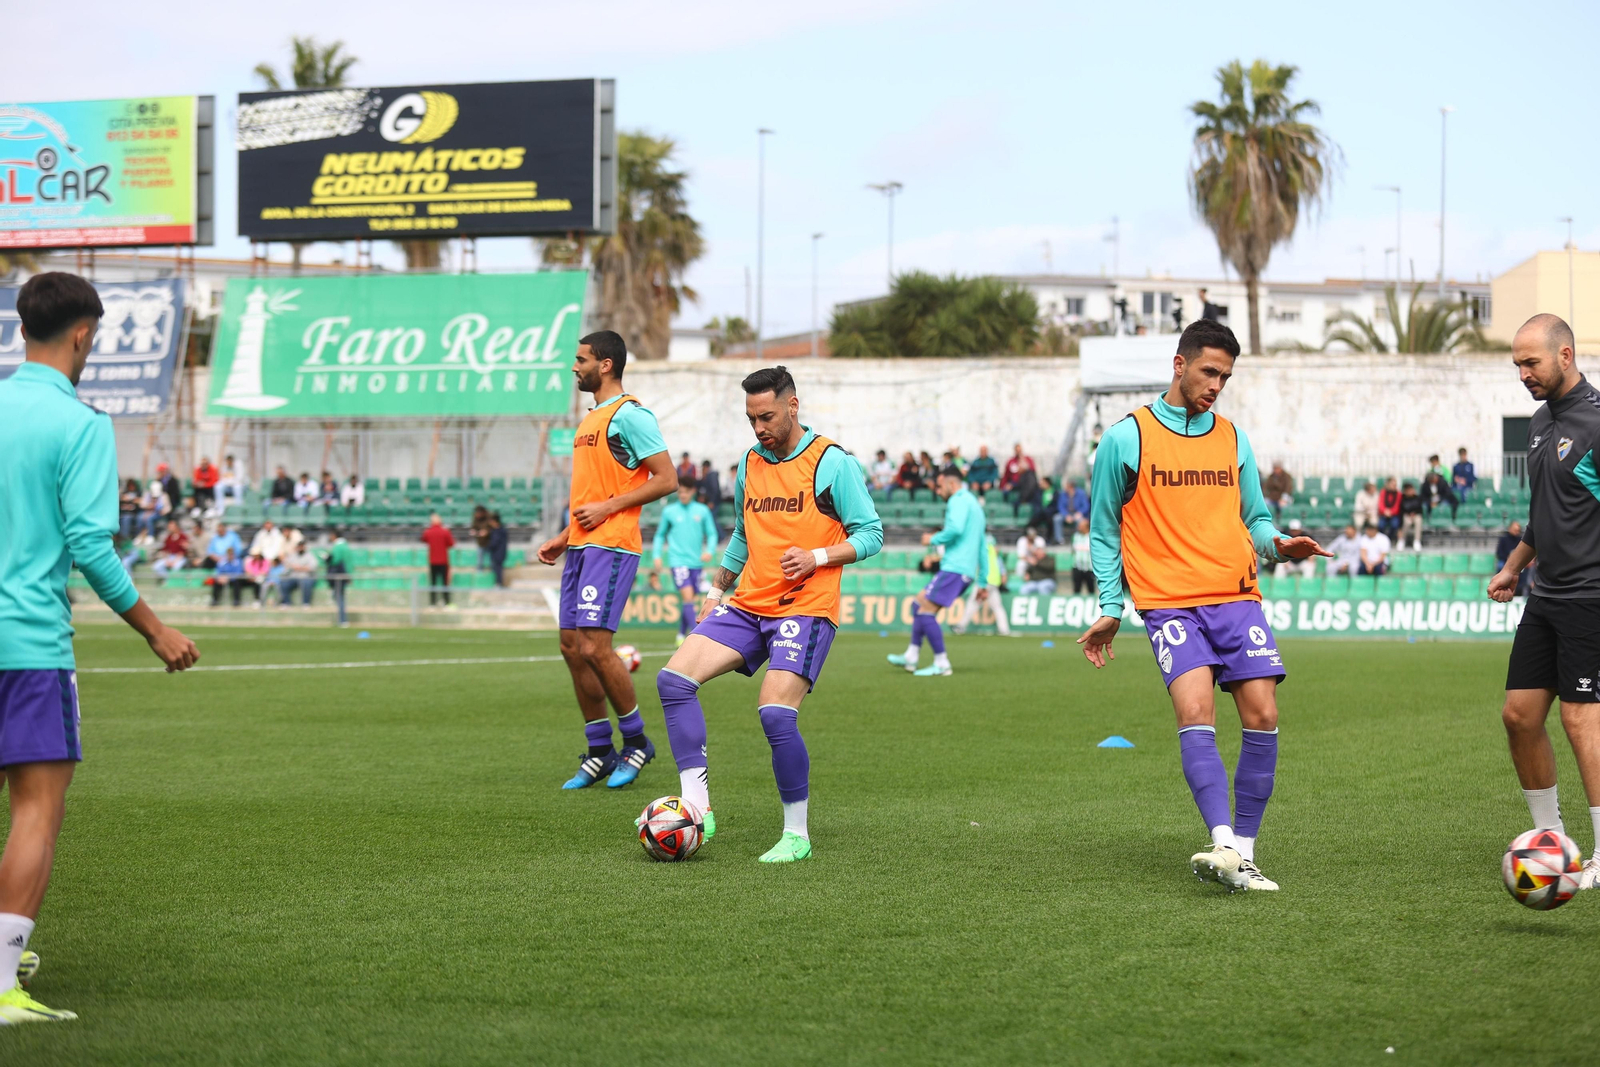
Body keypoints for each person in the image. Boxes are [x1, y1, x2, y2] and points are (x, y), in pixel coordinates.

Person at [0, 271, 199, 1023]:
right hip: (27, 643)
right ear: (83, 333)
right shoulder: (80, 424)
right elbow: (89, 543)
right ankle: (0, 984)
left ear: (24, 327)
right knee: (35, 811)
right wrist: (157, 629)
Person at [1076, 319, 1329, 893]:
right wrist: (1112, 606)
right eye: (1210, 371)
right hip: (1168, 605)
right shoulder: (1125, 437)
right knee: (1196, 713)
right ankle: (1221, 842)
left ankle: (1244, 851)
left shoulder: (1233, 437)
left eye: (1226, 376)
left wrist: (1280, 546)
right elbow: (1103, 530)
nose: (1217, 384)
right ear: (1179, 364)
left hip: (1237, 598)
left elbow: (1255, 518)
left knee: (1263, 715)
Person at [655, 365, 882, 863]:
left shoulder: (832, 462)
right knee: (673, 680)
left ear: (793, 406)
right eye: (751, 418)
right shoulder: (749, 463)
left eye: (767, 416)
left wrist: (816, 557)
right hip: (747, 603)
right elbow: (743, 532)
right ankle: (697, 806)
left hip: (806, 606)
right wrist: (717, 592)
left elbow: (871, 534)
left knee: (775, 711)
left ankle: (796, 834)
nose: (759, 427)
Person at [536, 330, 677, 790]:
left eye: (581, 360)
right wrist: (563, 537)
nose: (574, 367)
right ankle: (600, 749)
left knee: (596, 646)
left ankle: (636, 742)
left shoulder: (630, 415)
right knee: (572, 648)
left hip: (612, 545)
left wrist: (607, 510)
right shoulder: (590, 419)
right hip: (582, 545)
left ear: (606, 365)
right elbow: (593, 494)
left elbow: (666, 479)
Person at [1491, 313, 1600, 890]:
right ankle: (1549, 840)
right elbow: (1545, 515)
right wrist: (1513, 568)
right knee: (1519, 716)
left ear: (1565, 356)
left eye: (1530, 362)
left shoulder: (1596, 424)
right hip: (1546, 594)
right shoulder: (1539, 423)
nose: (1523, 373)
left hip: (1591, 596)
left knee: (1580, 717)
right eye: (1517, 364)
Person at [889, 466, 985, 677]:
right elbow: (982, 546)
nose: (937, 491)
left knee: (925, 611)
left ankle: (942, 662)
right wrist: (984, 580)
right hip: (964, 571)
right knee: (919, 602)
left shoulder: (957, 500)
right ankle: (912, 656)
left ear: (952, 484)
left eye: (940, 486)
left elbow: (955, 529)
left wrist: (932, 539)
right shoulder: (975, 505)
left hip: (954, 568)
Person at [653, 481, 719, 646]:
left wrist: (709, 551)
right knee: (688, 596)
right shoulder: (669, 511)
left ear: (693, 491)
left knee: (689, 599)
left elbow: (712, 533)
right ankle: (697, 636)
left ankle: (680, 634)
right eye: (680, 492)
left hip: (696, 563)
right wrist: (657, 555)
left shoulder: (702, 511)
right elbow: (660, 535)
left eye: (686, 492)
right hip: (678, 561)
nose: (682, 495)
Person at [321, 528, 354, 626]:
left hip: (339, 576)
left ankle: (342, 620)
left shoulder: (338, 547)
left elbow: (335, 561)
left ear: (334, 536)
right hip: (344, 575)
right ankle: (342, 619)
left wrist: (327, 559)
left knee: (339, 598)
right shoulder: (345, 546)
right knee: (339, 597)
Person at [421, 513, 455, 607]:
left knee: (433, 583)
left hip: (432, 561)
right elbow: (451, 543)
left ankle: (432, 603)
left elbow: (423, 539)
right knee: (445, 583)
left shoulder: (428, 531)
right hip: (443, 561)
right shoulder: (445, 531)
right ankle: (447, 602)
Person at [280, 541, 317, 606]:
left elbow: (312, 567)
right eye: (299, 546)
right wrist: (294, 567)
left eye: (302, 546)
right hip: (294, 577)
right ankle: (287, 603)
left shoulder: (310, 555)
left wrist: (300, 568)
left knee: (307, 583)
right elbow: (287, 565)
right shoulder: (293, 555)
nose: (300, 548)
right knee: (283, 583)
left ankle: (306, 603)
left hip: (305, 577)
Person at [1070, 517, 1095, 594]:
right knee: (1076, 589)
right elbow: (1073, 550)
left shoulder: (1092, 537)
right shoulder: (1075, 536)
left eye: (1081, 526)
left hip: (1089, 568)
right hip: (1077, 567)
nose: (1079, 528)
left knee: (1091, 589)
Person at [1399, 481, 1425, 550]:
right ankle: (1402, 540)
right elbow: (1402, 510)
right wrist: (1409, 514)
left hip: (1416, 515)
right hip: (1406, 515)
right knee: (1407, 522)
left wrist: (1414, 513)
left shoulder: (1418, 498)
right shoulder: (1402, 499)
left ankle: (1417, 541)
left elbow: (1420, 509)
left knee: (1418, 521)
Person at [486, 512, 509, 588]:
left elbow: (495, 543)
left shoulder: (499, 531)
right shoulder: (497, 530)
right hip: (497, 553)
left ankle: (499, 583)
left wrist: (488, 546)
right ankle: (498, 583)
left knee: (498, 569)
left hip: (498, 553)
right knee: (496, 569)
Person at [471, 505, 492, 571]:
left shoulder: (489, 517)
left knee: (491, 558)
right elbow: (473, 527)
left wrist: (487, 532)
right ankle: (480, 572)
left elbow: (494, 528)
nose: (478, 515)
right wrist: (473, 531)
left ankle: (492, 571)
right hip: (480, 541)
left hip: (489, 541)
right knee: (480, 558)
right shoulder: (475, 518)